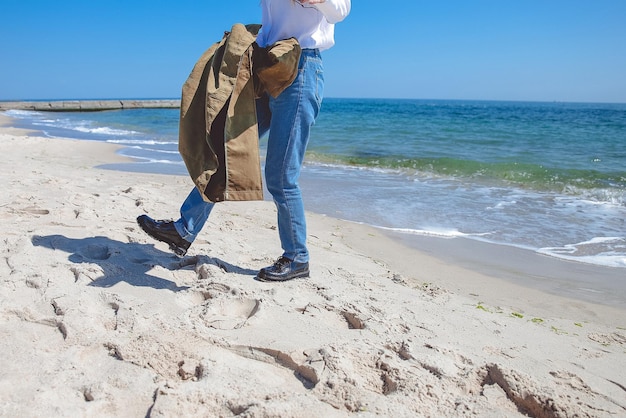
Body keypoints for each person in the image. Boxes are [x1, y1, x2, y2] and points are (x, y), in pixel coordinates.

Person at [137, 0, 351, 282]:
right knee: (226, 149)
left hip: (301, 69)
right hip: (267, 65)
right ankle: (183, 229)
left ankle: (297, 258)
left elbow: (341, 9)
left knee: (281, 176)